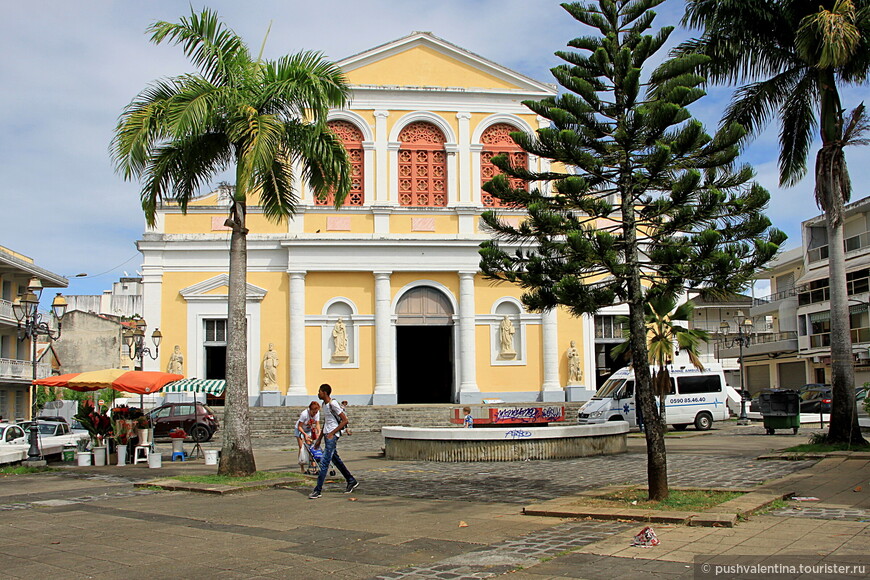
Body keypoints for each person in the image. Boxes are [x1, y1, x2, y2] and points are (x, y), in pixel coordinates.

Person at [309, 384, 358, 499]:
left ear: (325, 393)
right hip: (327, 435)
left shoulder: (333, 404)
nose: (318, 393)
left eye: (319, 391)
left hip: (332, 436)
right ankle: (351, 480)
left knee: (325, 462)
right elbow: (326, 422)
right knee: (335, 459)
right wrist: (319, 439)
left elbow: (345, 420)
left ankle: (318, 490)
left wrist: (332, 433)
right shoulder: (324, 405)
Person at [295, 401, 320, 473]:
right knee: (301, 447)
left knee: (311, 446)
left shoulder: (317, 413)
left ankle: (314, 466)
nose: (315, 414)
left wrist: (318, 432)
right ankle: (302, 467)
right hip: (300, 429)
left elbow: (317, 424)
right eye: (313, 412)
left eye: (316, 412)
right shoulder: (304, 414)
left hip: (309, 429)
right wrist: (304, 435)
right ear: (310, 410)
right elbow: (299, 426)